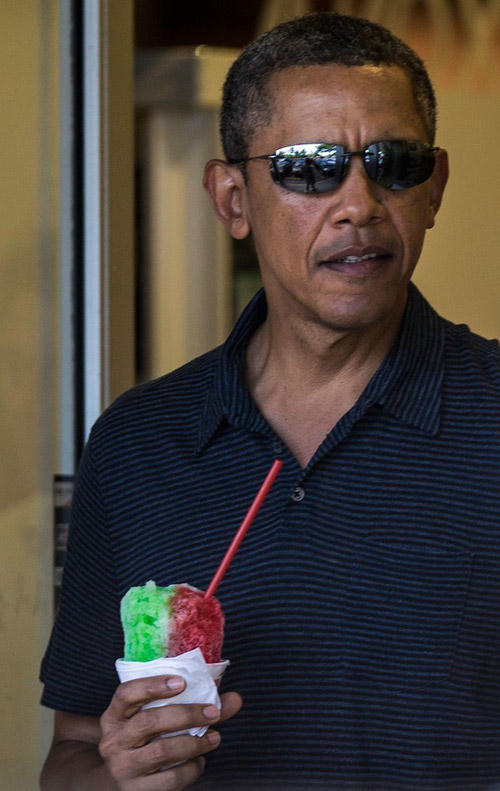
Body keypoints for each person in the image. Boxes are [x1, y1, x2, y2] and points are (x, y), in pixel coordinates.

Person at [40, 12, 500, 791]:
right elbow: (72, 750)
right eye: (309, 167)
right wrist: (123, 773)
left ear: (434, 188)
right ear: (232, 200)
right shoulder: (136, 444)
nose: (359, 203)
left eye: (393, 163)